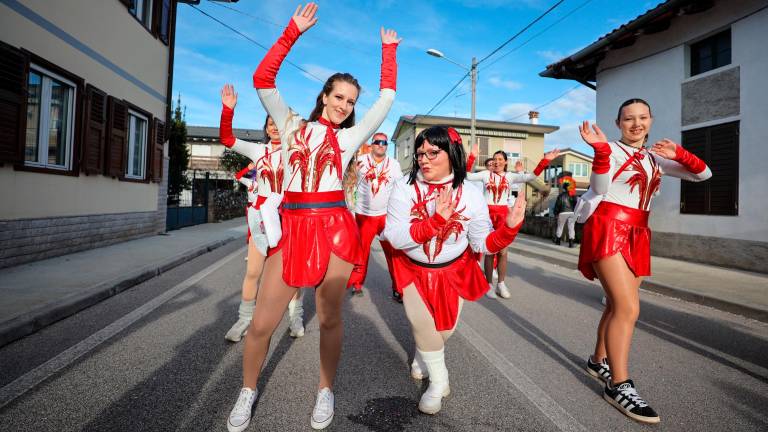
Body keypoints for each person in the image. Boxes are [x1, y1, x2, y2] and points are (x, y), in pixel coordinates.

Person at [225, 4, 400, 431]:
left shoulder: (351, 136)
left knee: (329, 318)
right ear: (324, 95)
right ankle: (247, 392)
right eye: (338, 96)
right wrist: (292, 32)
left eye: (350, 101)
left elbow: (387, 99)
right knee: (262, 323)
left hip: (336, 230)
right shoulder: (290, 126)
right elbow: (262, 79)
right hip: (293, 228)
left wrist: (389, 52)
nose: (343, 105)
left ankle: (325, 390)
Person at [578, 98, 711, 424]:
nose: (636, 124)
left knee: (614, 305)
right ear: (618, 122)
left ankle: (598, 361)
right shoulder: (607, 148)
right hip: (608, 226)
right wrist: (600, 152)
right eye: (628, 119)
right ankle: (618, 385)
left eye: (642, 118)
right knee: (628, 307)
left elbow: (703, 175)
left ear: (651, 120)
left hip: (639, 232)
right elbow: (600, 186)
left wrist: (680, 154)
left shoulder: (655, 157)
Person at [384, 126, 525, 415]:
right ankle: (440, 382)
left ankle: (424, 356)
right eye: (421, 153)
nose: (424, 159)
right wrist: (435, 221)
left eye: (433, 153)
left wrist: (508, 230)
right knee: (422, 325)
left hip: (454, 271)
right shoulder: (404, 185)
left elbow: (482, 243)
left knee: (443, 333)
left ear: (452, 154)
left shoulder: (471, 193)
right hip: (412, 268)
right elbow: (395, 236)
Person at [221, 113, 306, 342]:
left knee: (292, 274)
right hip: (260, 219)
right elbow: (227, 139)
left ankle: (295, 316)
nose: (275, 128)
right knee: (253, 272)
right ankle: (244, 319)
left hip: (289, 216)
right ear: (267, 129)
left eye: (279, 124)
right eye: (271, 124)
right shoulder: (258, 151)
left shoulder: (297, 150)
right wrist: (228, 110)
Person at [466, 148, 559, 299]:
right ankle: (488, 284)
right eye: (495, 159)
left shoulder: (510, 176)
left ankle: (501, 283)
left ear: (505, 162)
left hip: (503, 215)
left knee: (503, 251)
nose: (497, 162)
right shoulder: (485, 175)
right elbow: (467, 176)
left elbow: (532, 176)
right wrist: (472, 157)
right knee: (489, 251)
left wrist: (546, 160)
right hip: (487, 214)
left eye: (500, 159)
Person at [347, 132, 403, 300]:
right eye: (377, 142)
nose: (381, 145)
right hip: (364, 214)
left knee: (394, 253)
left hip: (386, 215)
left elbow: (400, 189)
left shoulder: (394, 164)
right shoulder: (361, 161)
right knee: (361, 251)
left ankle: (398, 288)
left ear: (387, 146)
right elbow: (349, 183)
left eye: (384, 143)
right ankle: (356, 283)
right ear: (371, 144)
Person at [553, 180, 577, 248]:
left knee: (560, 227)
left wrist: (555, 213)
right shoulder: (573, 195)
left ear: (564, 188)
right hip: (572, 212)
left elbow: (557, 205)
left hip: (562, 212)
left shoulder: (560, 196)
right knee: (571, 227)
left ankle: (558, 241)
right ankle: (571, 243)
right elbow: (576, 204)